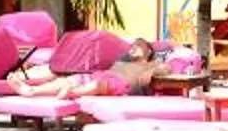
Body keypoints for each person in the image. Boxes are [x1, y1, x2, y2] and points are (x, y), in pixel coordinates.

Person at [16, 37, 161, 100]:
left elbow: (166, 69)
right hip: (102, 76)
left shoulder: (153, 64)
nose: (134, 47)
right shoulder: (122, 61)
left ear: (149, 51)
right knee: (69, 80)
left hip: (120, 84)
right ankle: (31, 91)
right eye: (133, 45)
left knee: (97, 85)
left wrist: (152, 70)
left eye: (139, 45)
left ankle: (71, 93)